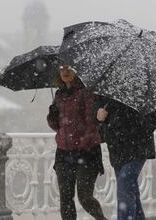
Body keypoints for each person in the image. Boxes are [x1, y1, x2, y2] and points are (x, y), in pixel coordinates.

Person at [47, 64, 107, 220]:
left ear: (77, 71)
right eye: (61, 68)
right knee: (65, 199)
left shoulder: (86, 93)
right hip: (63, 153)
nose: (65, 72)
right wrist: (52, 116)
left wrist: (81, 141)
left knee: (85, 197)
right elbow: (56, 126)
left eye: (69, 68)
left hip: (86, 153)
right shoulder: (59, 95)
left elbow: (92, 123)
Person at [96, 98, 156, 220]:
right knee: (130, 190)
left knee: (124, 186)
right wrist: (98, 116)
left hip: (138, 146)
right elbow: (97, 108)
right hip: (117, 146)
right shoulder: (109, 87)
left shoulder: (144, 85)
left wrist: (141, 125)